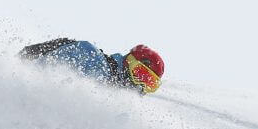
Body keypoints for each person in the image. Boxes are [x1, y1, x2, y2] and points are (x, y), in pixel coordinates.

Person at [19, 38, 164, 94]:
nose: (141, 86)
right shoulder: (92, 58)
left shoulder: (117, 99)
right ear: (129, 62)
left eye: (150, 84)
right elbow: (39, 73)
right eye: (141, 74)